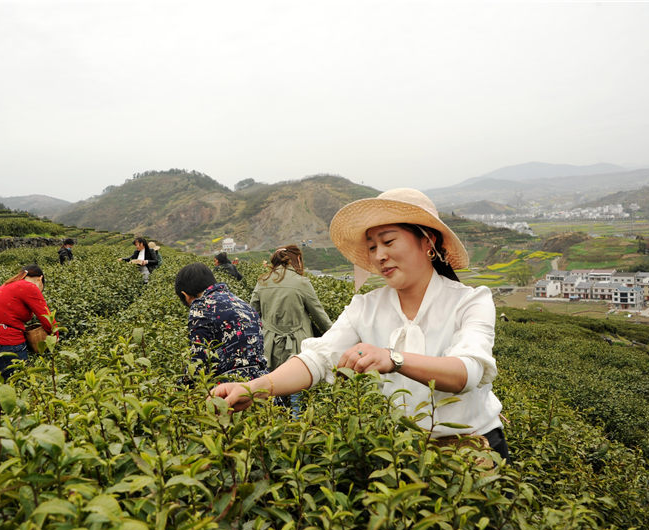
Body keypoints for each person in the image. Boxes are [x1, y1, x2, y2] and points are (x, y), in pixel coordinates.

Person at [212, 188, 509, 460]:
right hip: (403, 453)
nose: (380, 255)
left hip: (474, 452)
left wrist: (393, 358)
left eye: (389, 241)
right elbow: (317, 359)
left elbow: (467, 372)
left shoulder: (470, 301)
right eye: (372, 247)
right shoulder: (366, 307)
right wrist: (254, 387)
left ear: (427, 241)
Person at [250, 245, 332, 415]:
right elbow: (319, 316)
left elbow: (252, 314)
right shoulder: (301, 283)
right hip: (297, 343)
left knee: (273, 388)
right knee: (297, 389)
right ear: (297, 260)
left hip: (270, 344)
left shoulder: (263, 281)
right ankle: (297, 428)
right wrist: (335, 337)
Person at [175, 262, 267, 384]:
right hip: (261, 383)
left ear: (185, 295)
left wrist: (181, 387)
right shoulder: (243, 304)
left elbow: (198, 362)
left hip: (231, 387)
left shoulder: (201, 306)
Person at [0, 264, 57, 378]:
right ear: (40, 278)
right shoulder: (28, 287)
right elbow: (47, 318)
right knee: (20, 384)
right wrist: (55, 337)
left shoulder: (8, 285)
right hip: (8, 344)